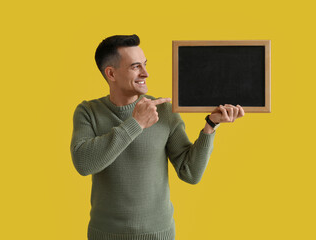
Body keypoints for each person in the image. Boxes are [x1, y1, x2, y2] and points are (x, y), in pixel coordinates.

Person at [70, 34, 244, 240]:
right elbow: (84, 164)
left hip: (158, 235)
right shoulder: (88, 111)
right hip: (104, 235)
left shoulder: (164, 111)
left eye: (145, 64)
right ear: (111, 73)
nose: (146, 73)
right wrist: (136, 124)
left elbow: (190, 173)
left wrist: (211, 125)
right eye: (136, 66)